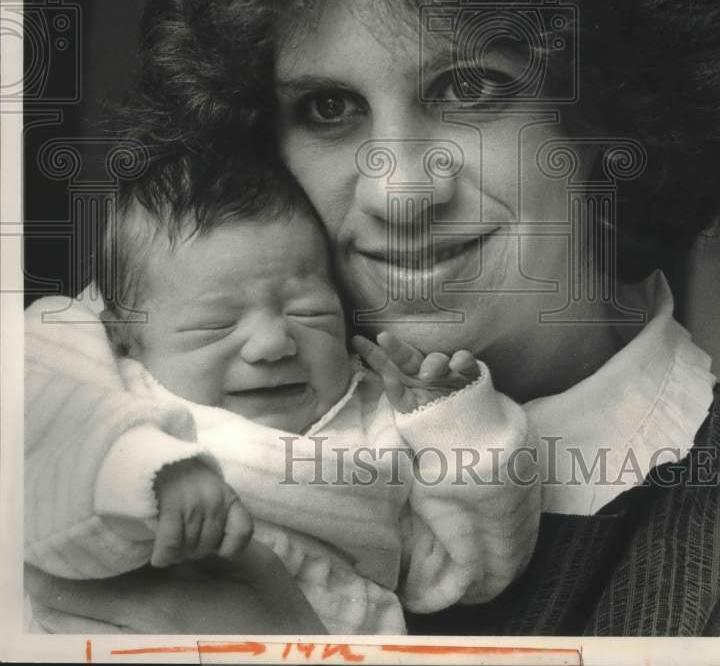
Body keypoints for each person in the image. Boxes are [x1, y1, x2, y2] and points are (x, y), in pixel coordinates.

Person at [25, 0, 720, 637]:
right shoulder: (117, 376)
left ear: (607, 113)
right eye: (329, 108)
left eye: (469, 88)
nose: (399, 193)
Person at [25, 147, 540, 633]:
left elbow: (468, 573)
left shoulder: (380, 426)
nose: (273, 344)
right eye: (215, 325)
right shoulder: (108, 380)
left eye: (309, 313)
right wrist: (145, 467)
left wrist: (455, 426)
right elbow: (35, 422)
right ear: (123, 337)